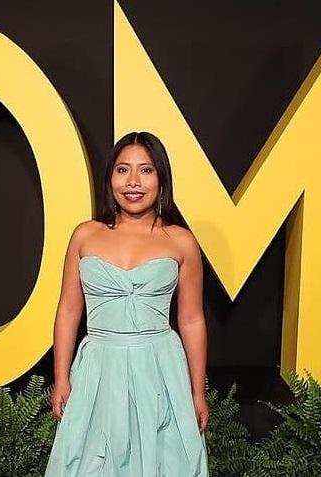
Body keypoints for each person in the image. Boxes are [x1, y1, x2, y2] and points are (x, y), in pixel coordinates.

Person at [44, 131, 209, 476]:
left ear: (161, 179)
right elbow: (69, 310)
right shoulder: (85, 235)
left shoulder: (181, 242)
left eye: (146, 170)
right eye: (123, 170)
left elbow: (192, 320)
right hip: (98, 370)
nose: (133, 181)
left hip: (159, 370)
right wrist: (61, 377)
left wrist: (197, 393)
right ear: (110, 178)